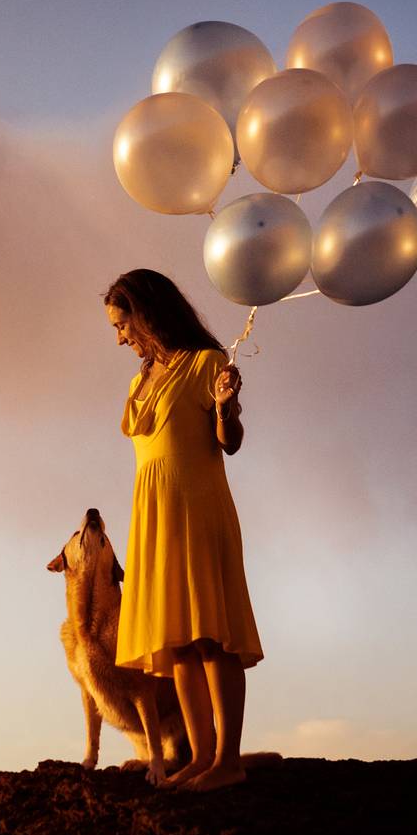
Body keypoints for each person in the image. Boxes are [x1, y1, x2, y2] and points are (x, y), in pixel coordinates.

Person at [104, 268, 264, 791]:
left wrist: (225, 407)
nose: (119, 336)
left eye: (122, 324)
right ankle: (200, 759)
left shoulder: (206, 364)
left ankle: (229, 762)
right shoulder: (139, 380)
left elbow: (230, 442)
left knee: (211, 634)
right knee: (177, 643)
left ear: (147, 314)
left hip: (197, 509)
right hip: (153, 516)